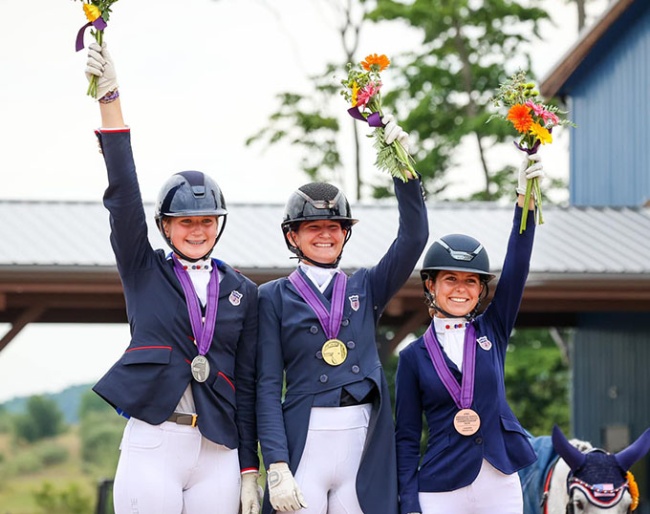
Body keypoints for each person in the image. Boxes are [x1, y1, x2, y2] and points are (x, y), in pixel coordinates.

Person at [84, 42, 260, 514]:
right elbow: (122, 196)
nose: (197, 229)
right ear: (165, 226)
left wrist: (250, 468)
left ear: (218, 225)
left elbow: (247, 380)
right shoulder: (144, 270)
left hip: (218, 450)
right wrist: (110, 99)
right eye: (186, 221)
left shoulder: (244, 292)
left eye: (207, 221)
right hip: (156, 441)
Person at [255, 118, 429, 514]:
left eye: (334, 226)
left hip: (362, 440)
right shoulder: (272, 297)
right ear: (292, 236)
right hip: (307, 439)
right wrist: (277, 463)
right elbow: (267, 386)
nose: (325, 234)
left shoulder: (366, 286)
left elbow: (414, 238)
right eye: (313, 227)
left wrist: (403, 169)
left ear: (344, 233)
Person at [394, 153, 545, 514]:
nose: (461, 289)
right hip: (441, 485)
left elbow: (517, 265)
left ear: (480, 290)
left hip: (499, 477)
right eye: (451, 279)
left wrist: (525, 200)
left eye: (471, 281)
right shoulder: (412, 358)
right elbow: (407, 436)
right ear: (431, 284)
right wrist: (408, 501)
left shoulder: (492, 329)